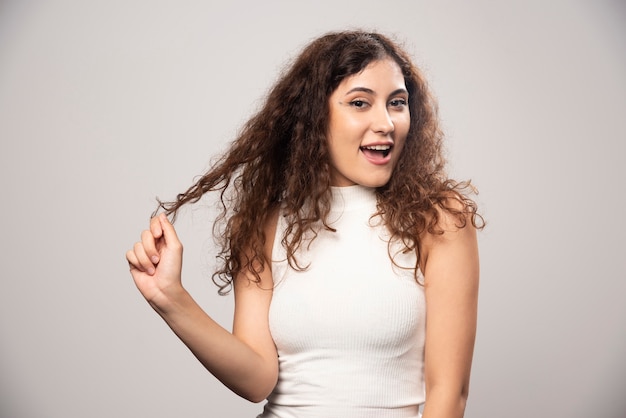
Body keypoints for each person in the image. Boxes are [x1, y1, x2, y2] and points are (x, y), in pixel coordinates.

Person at [126, 30, 483, 418]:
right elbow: (257, 379)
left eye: (397, 103)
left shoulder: (438, 219)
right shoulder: (267, 224)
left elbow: (449, 393)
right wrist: (170, 298)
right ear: (315, 116)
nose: (386, 123)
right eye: (360, 103)